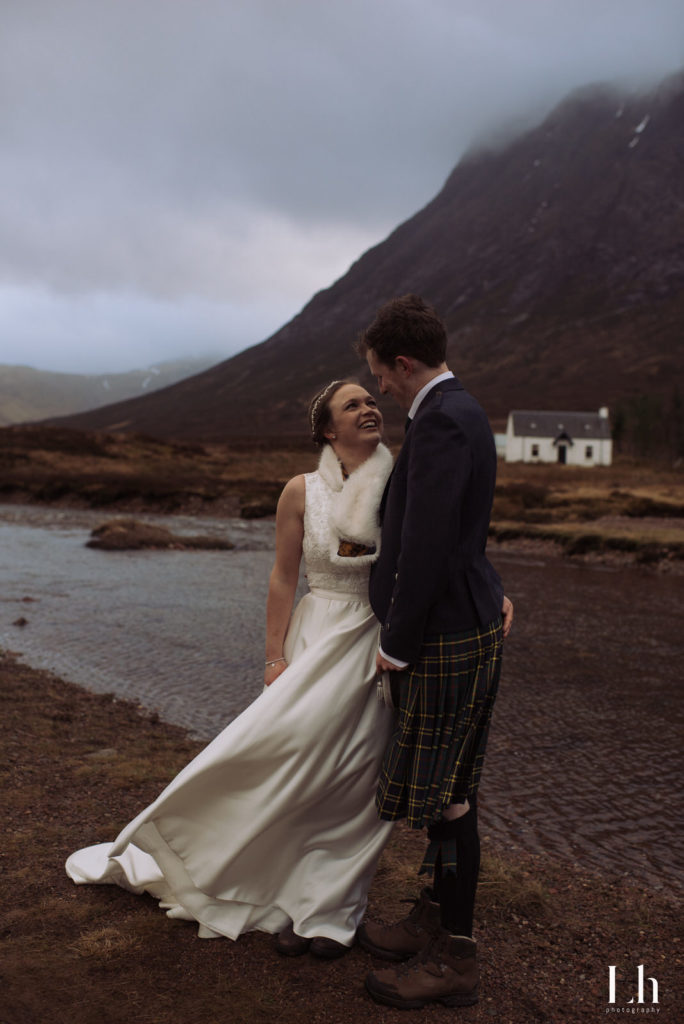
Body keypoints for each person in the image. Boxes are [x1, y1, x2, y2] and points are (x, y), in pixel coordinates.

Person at [66, 380, 398, 959]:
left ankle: (331, 910)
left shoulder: (401, 485)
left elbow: (438, 556)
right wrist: (274, 657)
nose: (369, 408)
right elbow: (282, 577)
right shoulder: (301, 491)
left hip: (377, 641)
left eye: (372, 400)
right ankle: (229, 864)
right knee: (288, 755)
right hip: (318, 636)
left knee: (358, 778)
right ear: (326, 429)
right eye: (353, 404)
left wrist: (485, 593)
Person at [355, 294, 511, 1010]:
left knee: (450, 800)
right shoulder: (461, 410)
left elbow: (428, 544)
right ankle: (431, 918)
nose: (380, 387)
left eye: (380, 373)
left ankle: (456, 955)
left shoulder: (443, 419)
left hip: (442, 634)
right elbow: (462, 530)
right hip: (462, 619)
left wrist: (397, 641)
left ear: (404, 362)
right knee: (449, 792)